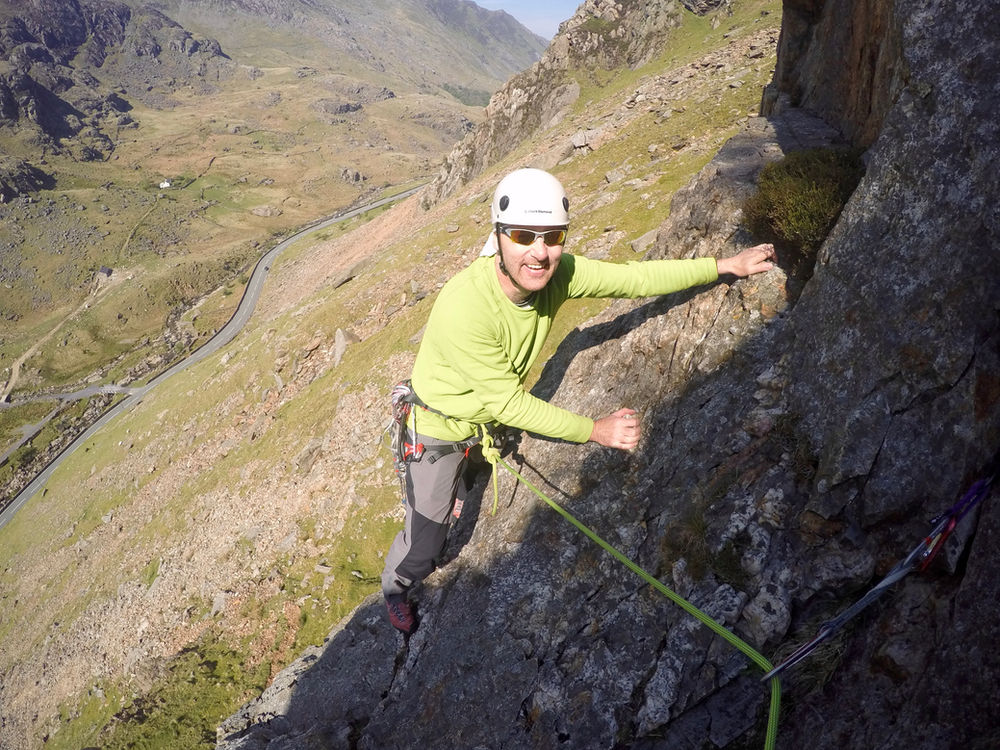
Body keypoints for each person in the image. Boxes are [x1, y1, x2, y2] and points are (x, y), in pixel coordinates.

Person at [381, 167, 775, 634]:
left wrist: (722, 267)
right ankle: (394, 586)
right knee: (426, 545)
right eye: (524, 236)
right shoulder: (465, 306)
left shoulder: (559, 273)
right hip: (439, 428)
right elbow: (509, 405)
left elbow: (633, 280)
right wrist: (597, 431)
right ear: (499, 237)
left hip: (480, 416)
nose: (540, 252)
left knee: (471, 483)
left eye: (552, 237)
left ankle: (464, 481)